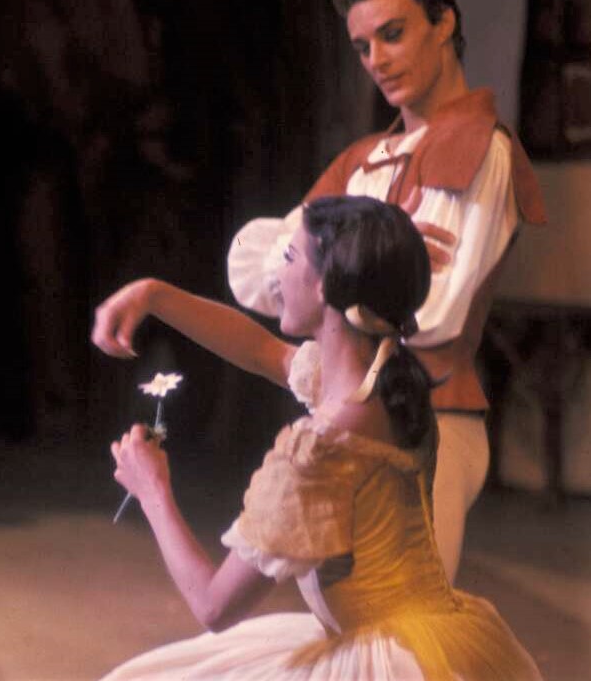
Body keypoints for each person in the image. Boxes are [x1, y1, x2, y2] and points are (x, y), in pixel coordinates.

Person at [94, 196, 541, 680]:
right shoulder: (388, 378)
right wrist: (155, 295)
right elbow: (261, 349)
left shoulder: (322, 448)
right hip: (433, 637)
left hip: (384, 662)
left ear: (326, 284)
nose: (276, 277)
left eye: (289, 258)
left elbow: (213, 605)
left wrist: (152, 489)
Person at [225, 0, 547, 581]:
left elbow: (431, 316)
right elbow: (265, 274)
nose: (375, 59)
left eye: (392, 34)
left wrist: (338, 279)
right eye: (362, 46)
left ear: (444, 23)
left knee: (406, 633)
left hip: (428, 421)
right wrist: (379, 265)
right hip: (347, 414)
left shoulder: (478, 147)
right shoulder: (363, 159)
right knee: (341, 625)